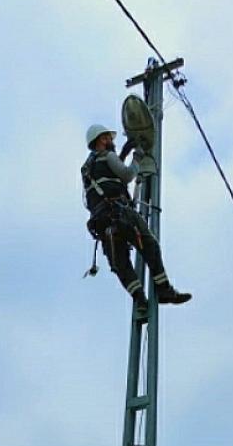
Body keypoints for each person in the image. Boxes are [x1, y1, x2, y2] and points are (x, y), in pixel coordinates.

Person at [81, 123, 191, 316]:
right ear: (101, 140)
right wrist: (137, 157)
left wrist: (124, 152)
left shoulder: (88, 167)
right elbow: (126, 175)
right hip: (121, 213)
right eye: (108, 138)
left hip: (102, 223)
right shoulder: (108, 156)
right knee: (149, 244)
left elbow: (110, 172)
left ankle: (140, 300)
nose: (111, 141)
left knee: (121, 264)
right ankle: (164, 289)